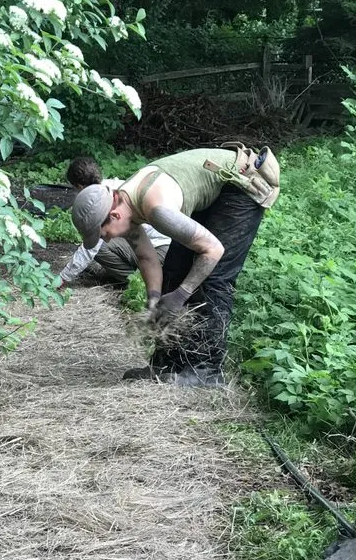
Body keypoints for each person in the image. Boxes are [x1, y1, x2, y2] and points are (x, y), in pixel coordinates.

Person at [70, 143, 280, 386]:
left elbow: (213, 250)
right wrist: (154, 300)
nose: (105, 239)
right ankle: (166, 364)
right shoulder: (122, 205)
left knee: (213, 277)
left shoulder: (157, 210)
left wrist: (181, 294)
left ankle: (207, 372)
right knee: (174, 268)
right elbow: (147, 257)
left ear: (114, 215)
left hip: (240, 186)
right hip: (213, 188)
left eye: (103, 233)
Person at [58, 156, 171, 289]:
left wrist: (63, 278)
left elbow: (89, 249)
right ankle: (137, 276)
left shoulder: (102, 203)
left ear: (79, 186)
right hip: (149, 240)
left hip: (160, 246)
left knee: (97, 245)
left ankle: (139, 283)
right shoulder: (110, 186)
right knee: (103, 243)